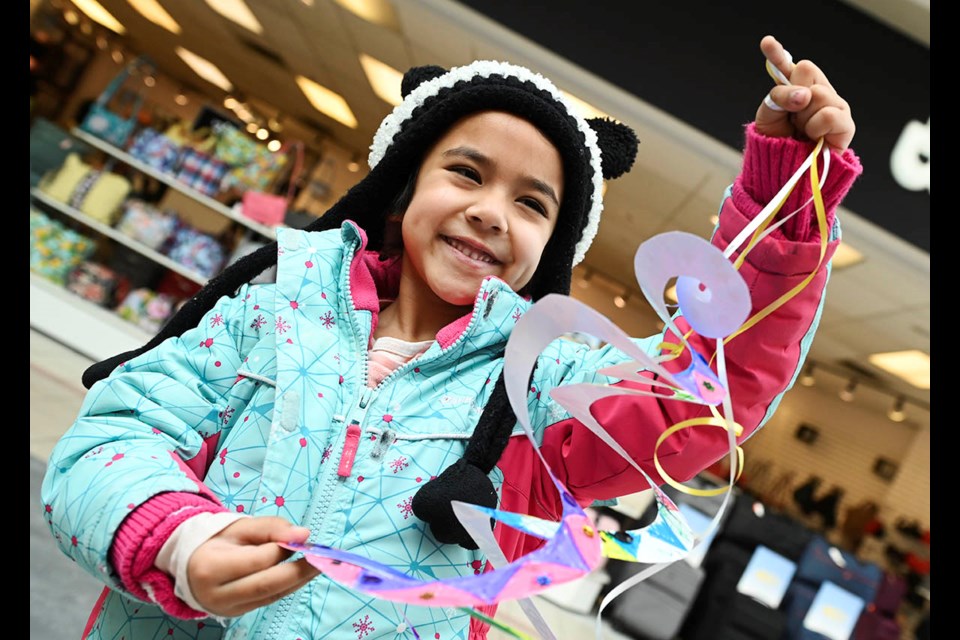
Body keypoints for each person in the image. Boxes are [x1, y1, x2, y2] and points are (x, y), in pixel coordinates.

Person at [41, 35, 860, 640]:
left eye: (533, 204)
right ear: (400, 192)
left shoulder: (543, 388)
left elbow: (697, 400)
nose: (491, 210)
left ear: (552, 249)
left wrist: (786, 196)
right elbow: (117, 437)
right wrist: (181, 538)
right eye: (466, 173)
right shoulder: (270, 307)